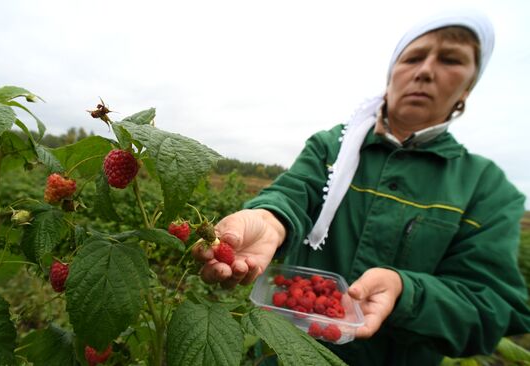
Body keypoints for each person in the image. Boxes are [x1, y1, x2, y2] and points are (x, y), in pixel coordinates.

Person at [193, 9, 530, 365]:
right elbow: (294, 193)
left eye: (450, 60)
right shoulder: (331, 147)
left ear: (468, 87)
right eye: (413, 57)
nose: (425, 70)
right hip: (287, 354)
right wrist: (269, 219)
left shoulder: (486, 188)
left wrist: (406, 293)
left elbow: (490, 307)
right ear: (392, 72)